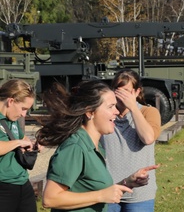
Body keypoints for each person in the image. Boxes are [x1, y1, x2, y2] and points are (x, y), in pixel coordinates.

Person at [35, 80, 158, 212]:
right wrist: (100, 196)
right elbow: (50, 199)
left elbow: (91, 190)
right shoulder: (75, 147)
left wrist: (126, 182)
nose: (116, 112)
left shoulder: (94, 145)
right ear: (90, 112)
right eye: (110, 106)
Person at [100, 69, 161, 212]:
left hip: (140, 194)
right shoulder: (106, 114)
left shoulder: (148, 112)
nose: (121, 96)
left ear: (137, 91)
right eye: (117, 90)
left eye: (126, 91)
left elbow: (148, 138)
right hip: (109, 190)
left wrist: (133, 107)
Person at [0, 79, 37, 212]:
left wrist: (33, 145)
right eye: (23, 108)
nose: (23, 114)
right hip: (3, 187)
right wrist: (18, 143)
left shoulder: (12, 119)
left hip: (23, 183)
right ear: (10, 101)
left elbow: (23, 138)